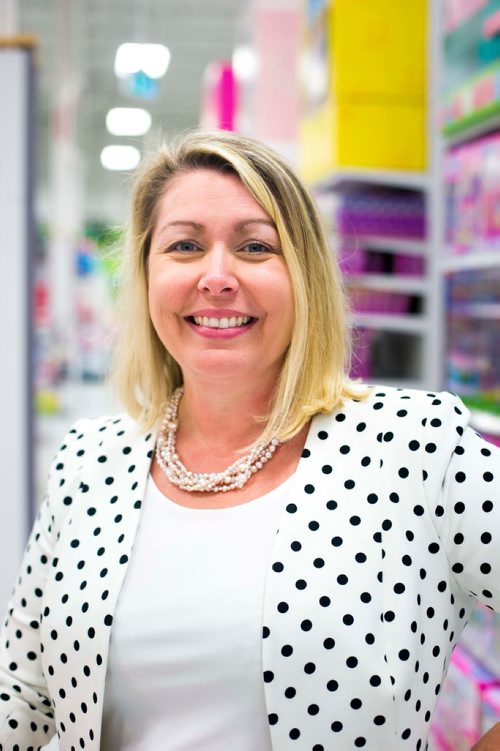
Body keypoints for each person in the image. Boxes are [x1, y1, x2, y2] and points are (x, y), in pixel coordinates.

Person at [0, 130, 499, 751]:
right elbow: (23, 693)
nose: (216, 277)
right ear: (148, 273)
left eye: (255, 247)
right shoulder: (89, 461)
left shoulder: (415, 446)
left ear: (305, 276)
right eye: (183, 245)